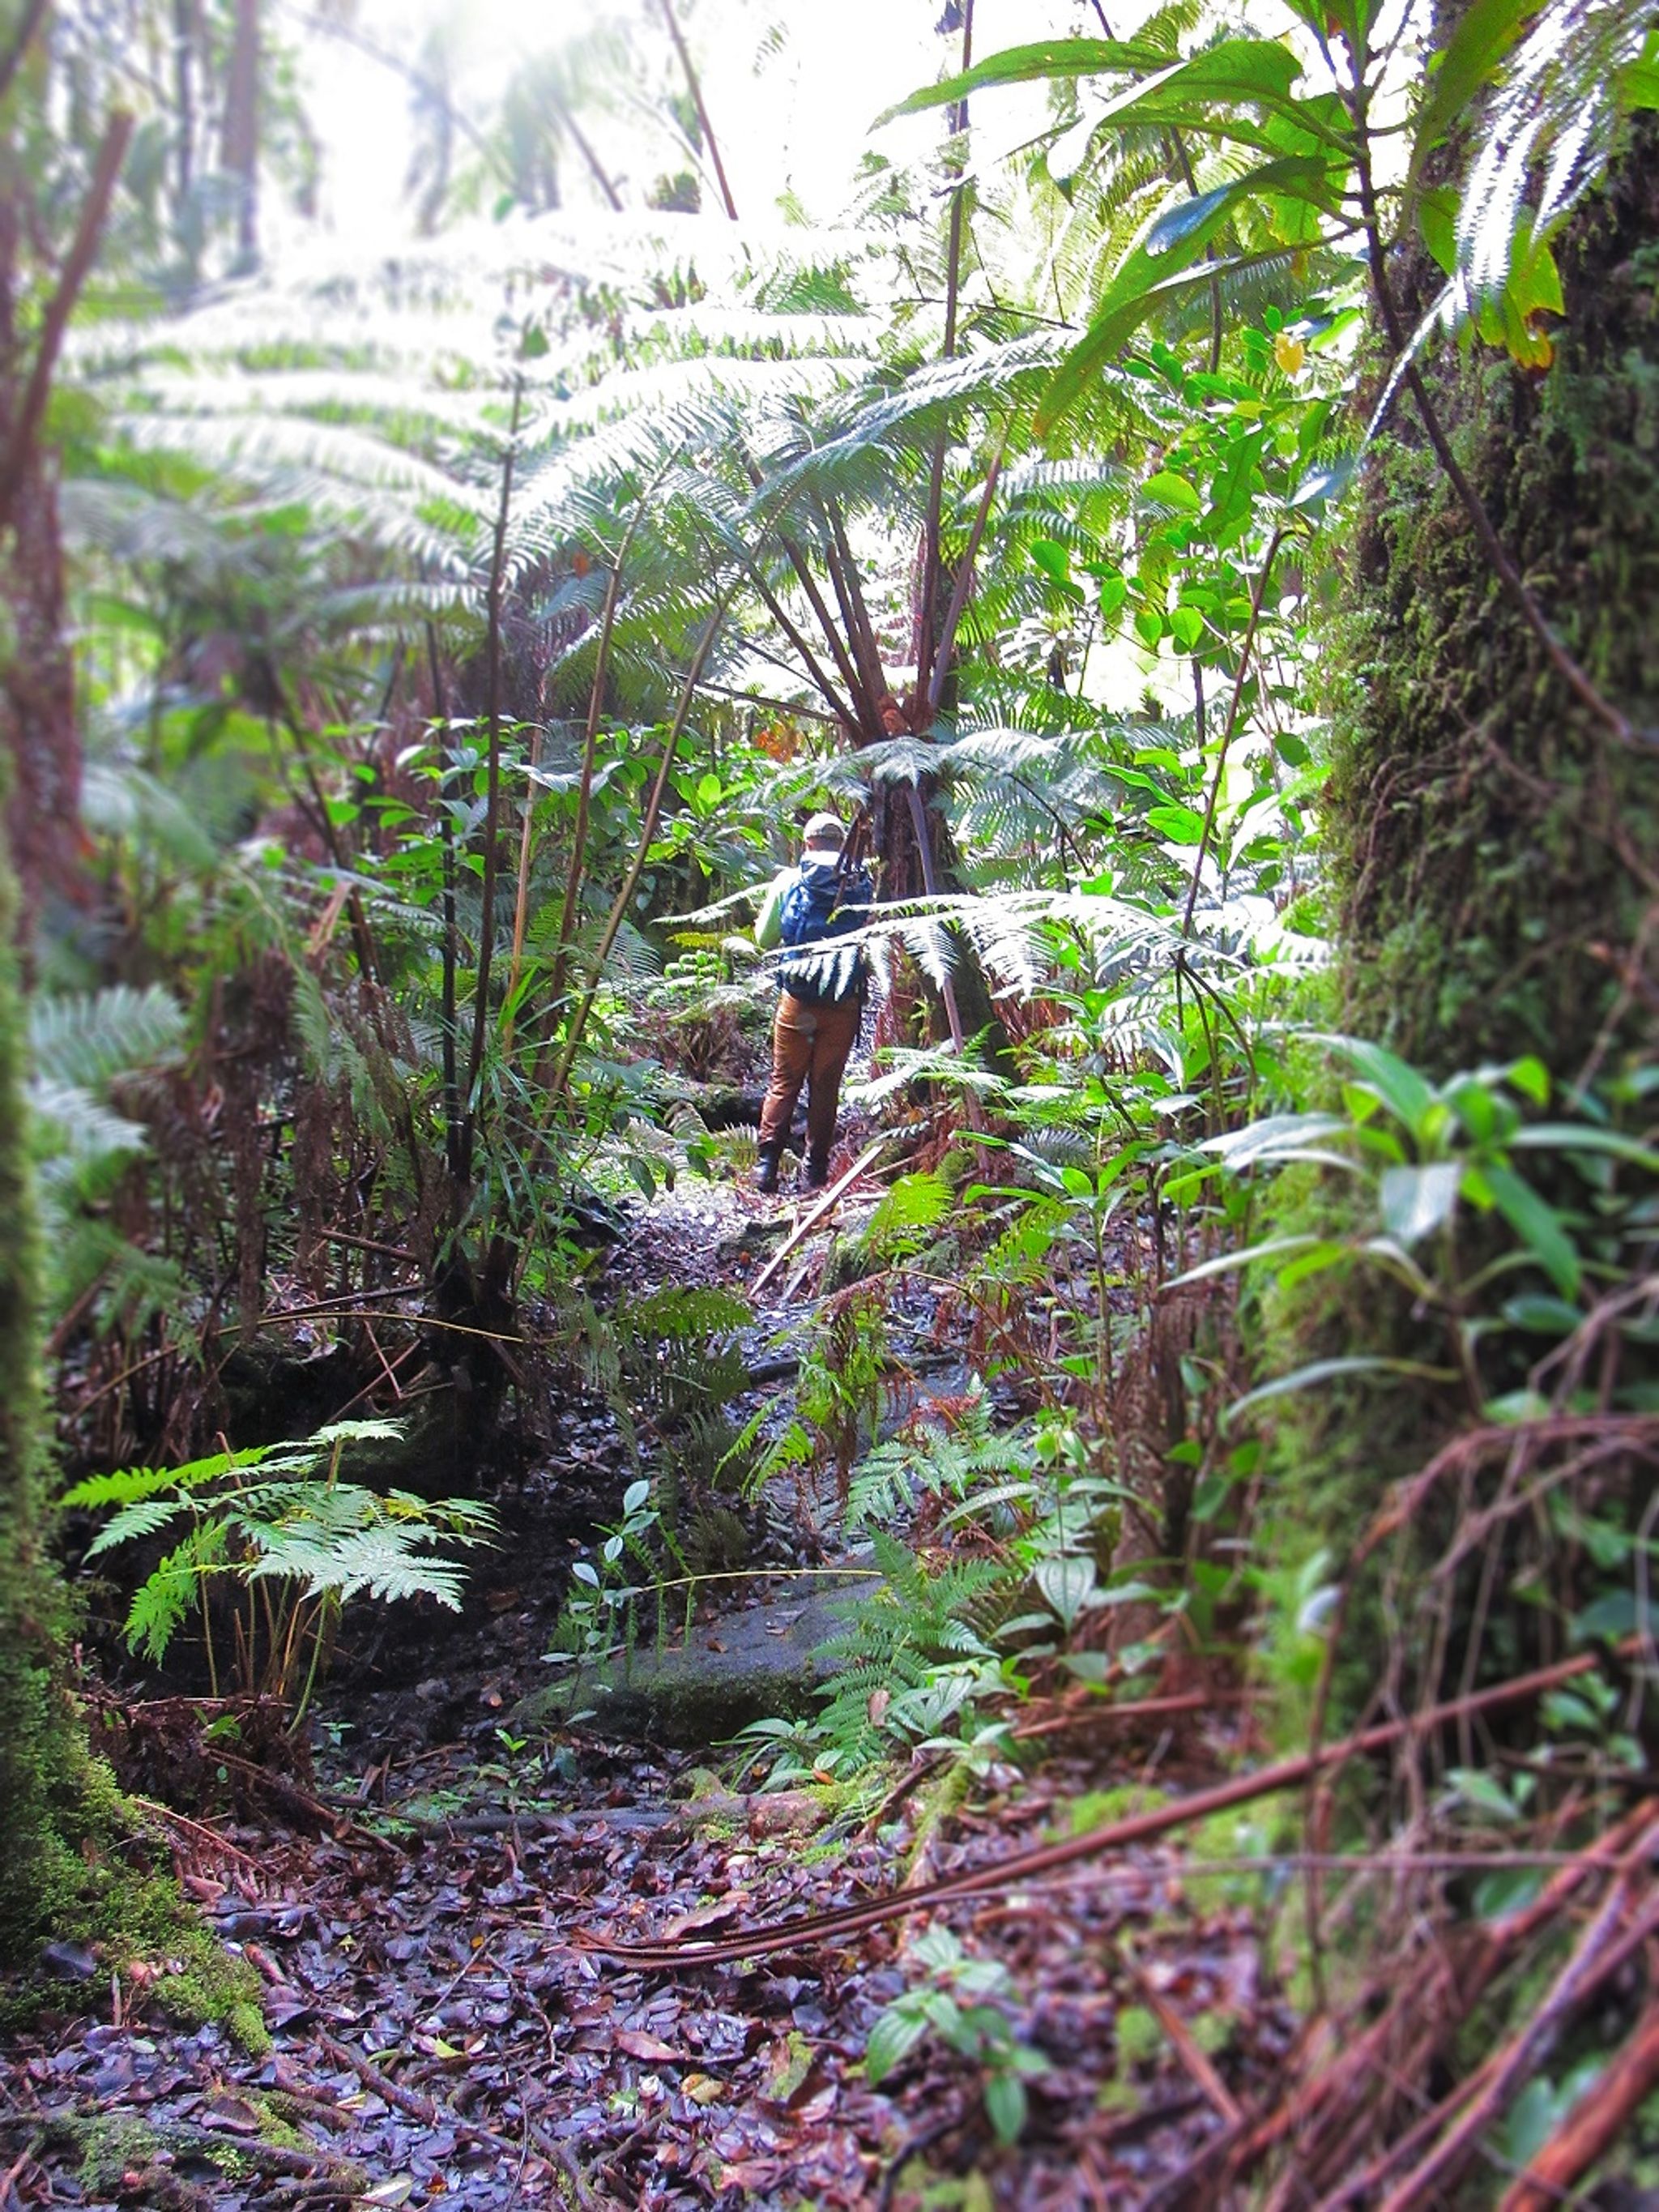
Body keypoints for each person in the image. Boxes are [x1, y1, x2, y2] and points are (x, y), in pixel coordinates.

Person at [752, 811, 873, 1194]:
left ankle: (766, 1168)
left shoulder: (790, 880)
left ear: (807, 844)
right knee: (825, 1086)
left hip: (798, 1000)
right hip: (842, 1003)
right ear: (842, 844)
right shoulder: (861, 881)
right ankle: (815, 1172)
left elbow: (764, 938)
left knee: (784, 1080)